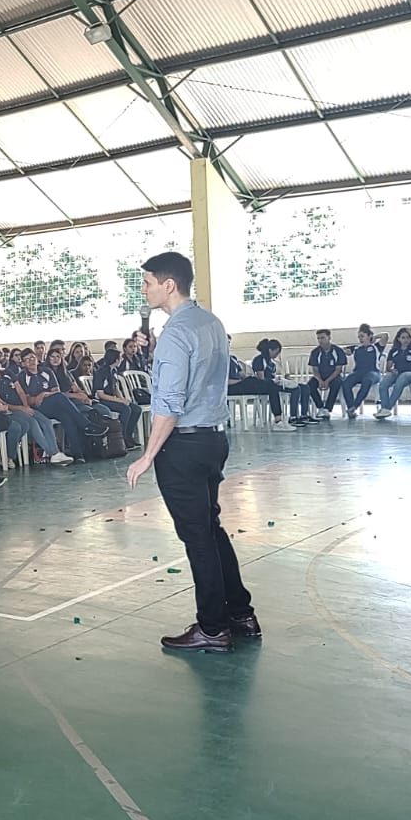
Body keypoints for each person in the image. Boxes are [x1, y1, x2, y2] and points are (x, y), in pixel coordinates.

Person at [126, 252, 256, 654]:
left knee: (197, 537)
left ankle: (213, 628)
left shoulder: (176, 334)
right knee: (211, 528)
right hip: (213, 438)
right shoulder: (210, 323)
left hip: (182, 444)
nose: (143, 289)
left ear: (169, 285)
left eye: (147, 282)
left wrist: (148, 455)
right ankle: (240, 613)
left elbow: (169, 402)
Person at [225, 342, 288, 428]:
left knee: (271, 386)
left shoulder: (233, 359)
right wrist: (240, 381)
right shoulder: (218, 361)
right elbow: (223, 382)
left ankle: (278, 419)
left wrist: (246, 377)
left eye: (229, 343)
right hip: (231, 387)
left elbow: (242, 375)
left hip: (241, 383)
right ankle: (278, 421)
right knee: (268, 385)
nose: (228, 345)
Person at [253, 340, 312, 425]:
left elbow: (273, 375)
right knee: (296, 389)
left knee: (304, 387)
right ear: (270, 350)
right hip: (266, 385)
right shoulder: (259, 360)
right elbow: (261, 378)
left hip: (274, 382)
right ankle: (293, 417)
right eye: (276, 352)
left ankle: (304, 415)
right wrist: (276, 381)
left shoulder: (271, 362)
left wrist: (284, 379)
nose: (277, 355)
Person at [374, 328, 411, 419]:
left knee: (401, 379)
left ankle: (387, 408)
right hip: (397, 372)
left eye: (408, 337)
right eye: (403, 337)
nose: (406, 340)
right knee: (383, 384)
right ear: (399, 339)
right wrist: (392, 370)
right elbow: (388, 367)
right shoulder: (394, 351)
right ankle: (384, 407)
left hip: (410, 373)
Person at [341, 324, 381, 418]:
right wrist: (346, 351)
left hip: (373, 372)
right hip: (358, 372)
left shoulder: (376, 347)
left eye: (362, 336)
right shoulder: (356, 348)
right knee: (346, 383)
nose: (360, 339)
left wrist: (374, 338)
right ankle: (350, 407)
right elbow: (344, 350)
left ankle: (355, 405)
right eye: (359, 337)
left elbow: (385, 336)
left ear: (369, 336)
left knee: (367, 380)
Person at [306, 329, 346, 418]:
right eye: (318, 338)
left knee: (337, 383)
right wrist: (320, 380)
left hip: (333, 376)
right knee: (309, 386)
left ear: (329, 338)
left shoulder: (338, 351)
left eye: (322, 338)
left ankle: (328, 408)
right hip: (320, 376)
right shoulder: (315, 352)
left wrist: (327, 381)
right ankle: (320, 407)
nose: (320, 340)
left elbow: (338, 369)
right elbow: (315, 370)